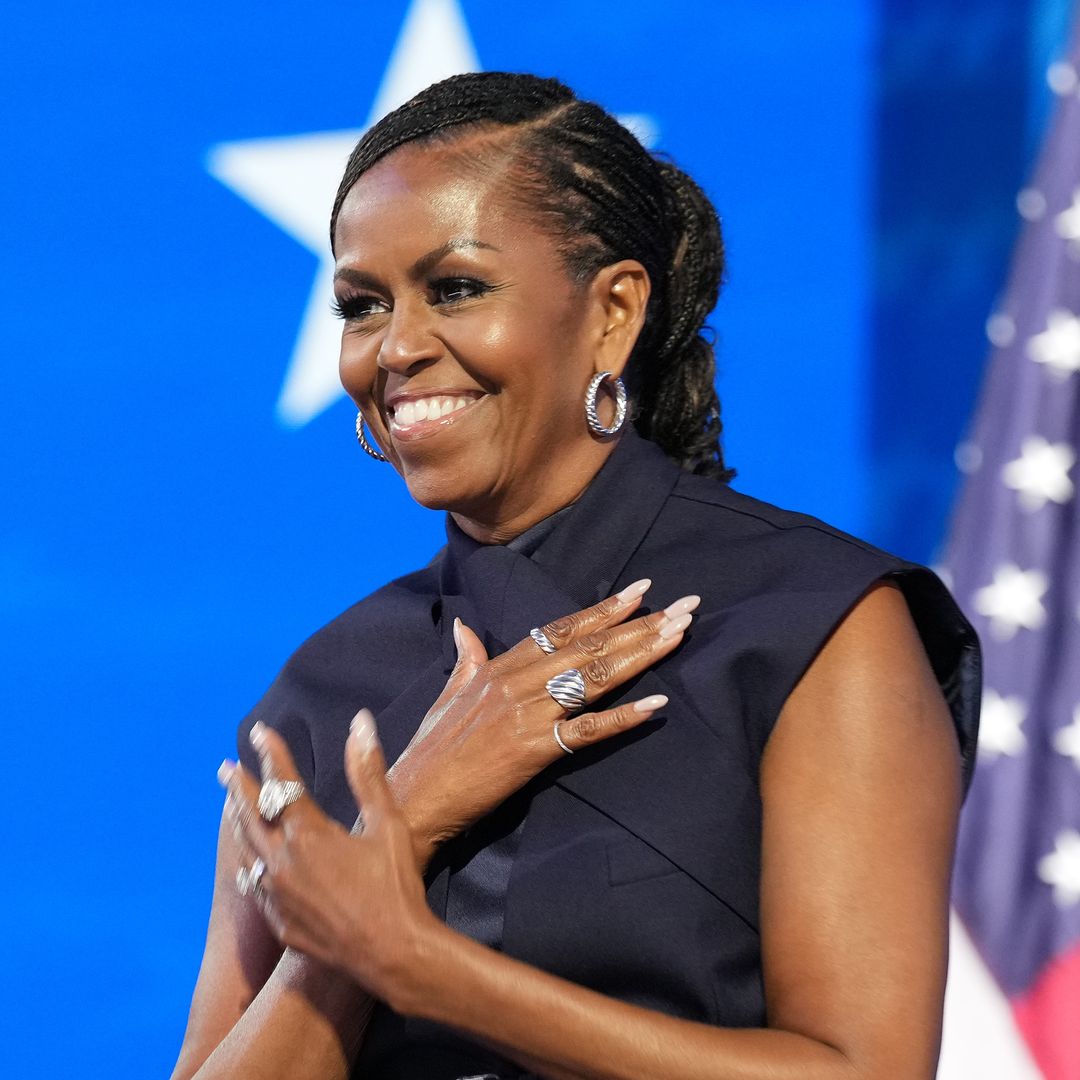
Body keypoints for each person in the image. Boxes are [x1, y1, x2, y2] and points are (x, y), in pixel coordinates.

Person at [171, 72, 980, 1080]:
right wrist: (409, 822)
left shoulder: (814, 625)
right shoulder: (324, 691)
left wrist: (422, 965)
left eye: (456, 287)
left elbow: (867, 1073)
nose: (398, 347)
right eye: (361, 304)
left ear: (612, 313)